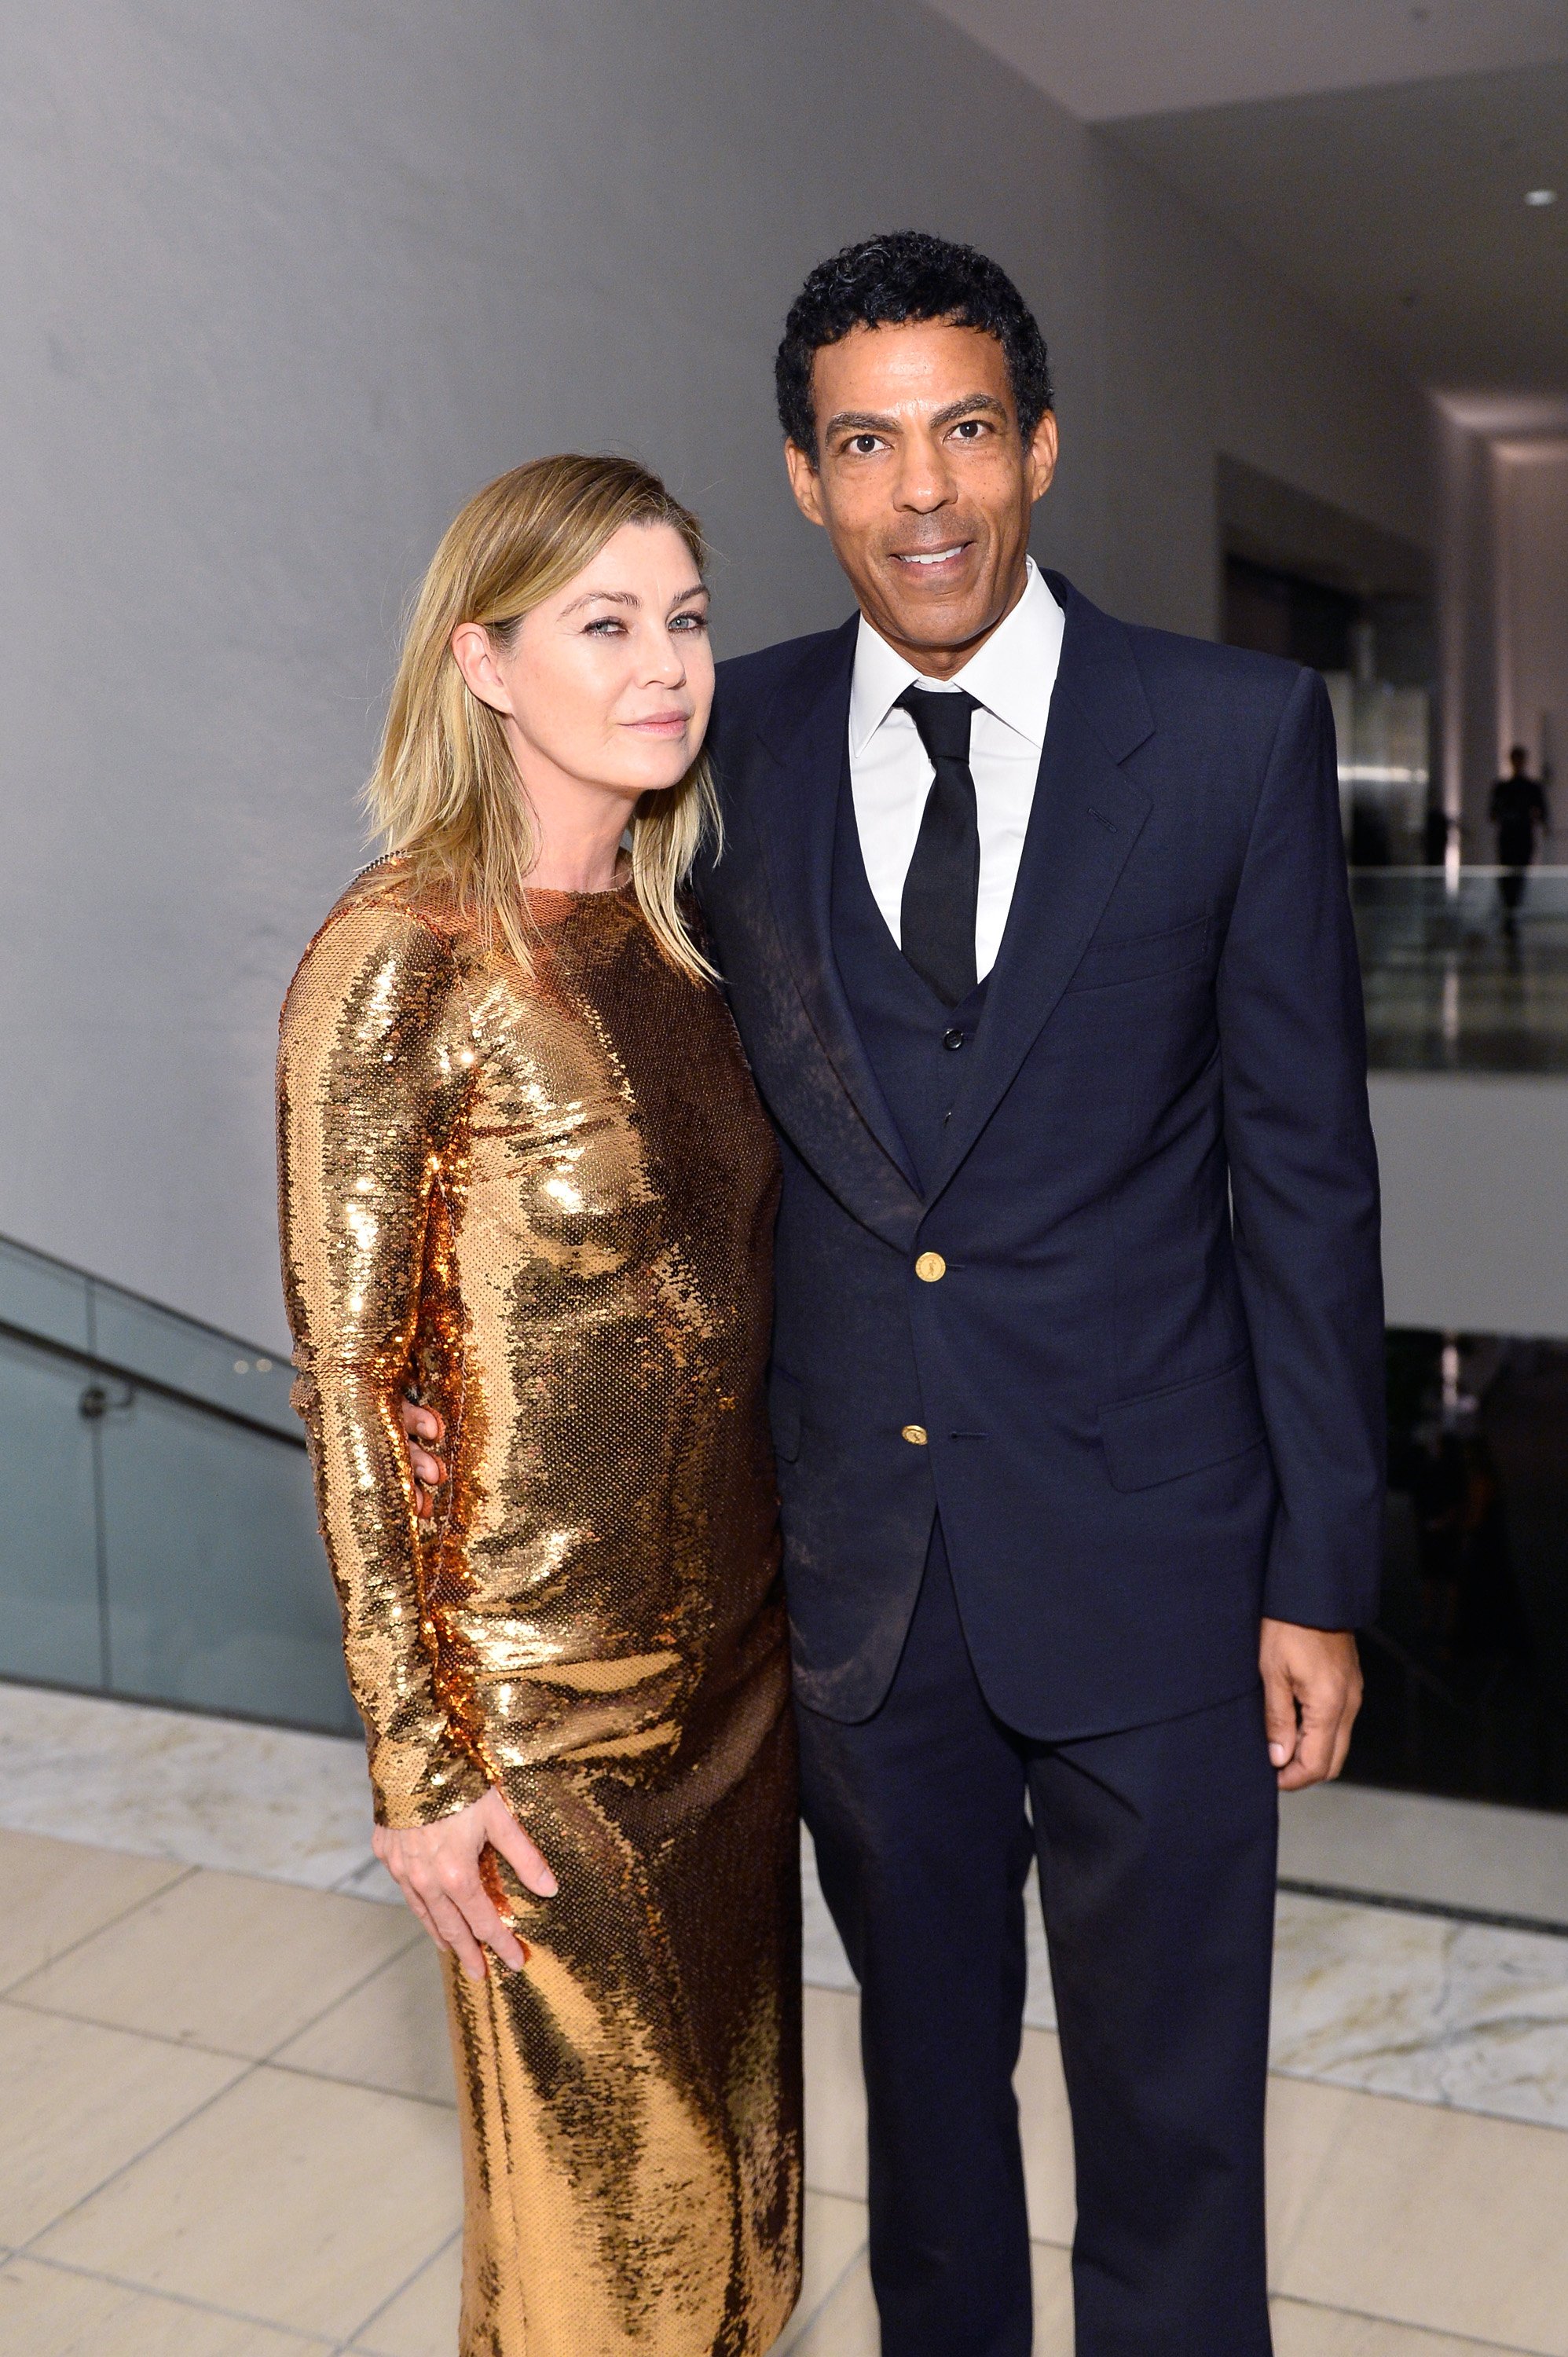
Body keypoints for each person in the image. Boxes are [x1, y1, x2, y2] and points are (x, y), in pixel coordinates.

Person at [405, 231, 1385, 2357]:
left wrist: (1316, 1568)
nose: (920, 488)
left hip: (1162, 1563)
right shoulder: (713, 738)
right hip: (857, 1583)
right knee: (927, 2119)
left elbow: (1306, 1182)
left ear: (1035, 448)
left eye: (960, 430)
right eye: (866, 444)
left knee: (1175, 2129)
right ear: (803, 479)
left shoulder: (1226, 735)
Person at [278, 456, 801, 2357]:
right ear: (485, 661)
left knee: (737, 2219)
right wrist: (420, 1763)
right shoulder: (396, 955)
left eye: (684, 618)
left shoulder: (681, 942)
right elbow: (351, 1385)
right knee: (613, 2253)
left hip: (738, 1693)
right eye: (606, 623)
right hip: (542, 1728)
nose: (665, 665)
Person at [1489, 743, 1549, 941]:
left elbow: (1542, 813)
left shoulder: (1530, 787)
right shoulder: (1504, 787)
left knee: (1517, 876)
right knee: (1508, 878)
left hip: (1521, 838)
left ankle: (1511, 916)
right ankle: (1510, 915)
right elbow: (1493, 813)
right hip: (1510, 838)